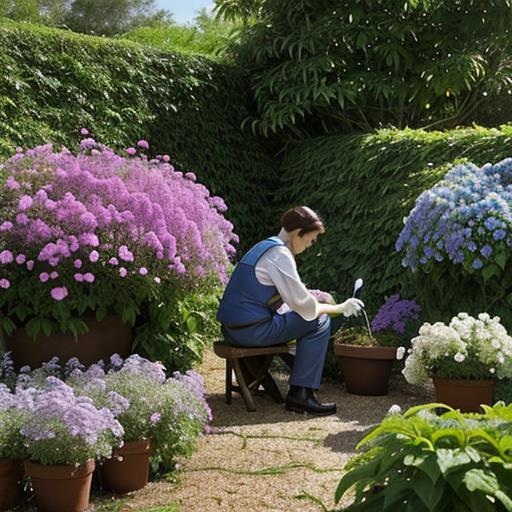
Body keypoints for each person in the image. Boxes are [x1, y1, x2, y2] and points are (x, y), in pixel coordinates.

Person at [217, 206, 364, 416]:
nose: (310, 245)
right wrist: (339, 308)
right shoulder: (280, 255)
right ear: (297, 234)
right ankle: (301, 395)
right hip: (251, 332)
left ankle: (289, 387)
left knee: (306, 318)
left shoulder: (264, 247)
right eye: (310, 240)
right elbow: (305, 307)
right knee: (319, 320)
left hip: (233, 329)